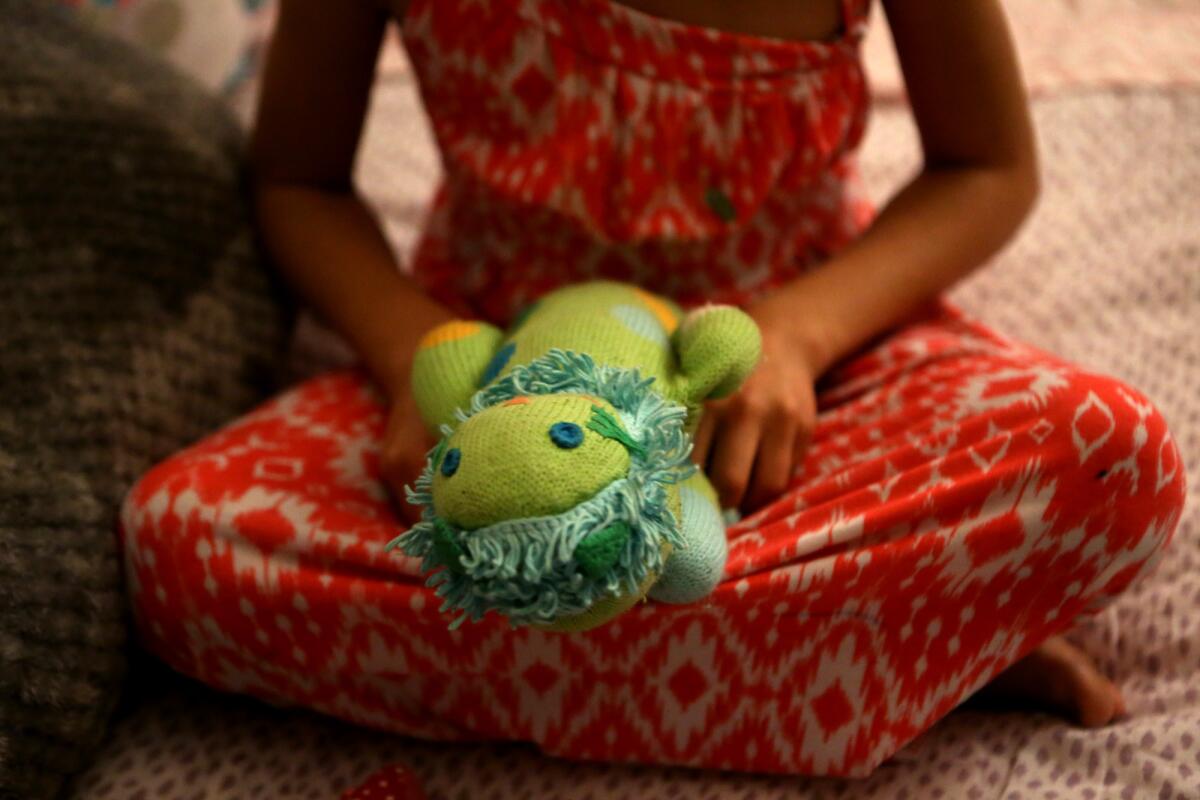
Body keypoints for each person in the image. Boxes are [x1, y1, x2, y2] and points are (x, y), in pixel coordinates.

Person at [120, 0, 1186, 775]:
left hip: (811, 368)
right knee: (177, 545)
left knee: (1112, 457)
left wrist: (798, 333)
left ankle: (565, 625)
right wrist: (415, 354)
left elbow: (989, 167)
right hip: (488, 376)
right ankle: (888, 642)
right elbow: (297, 178)